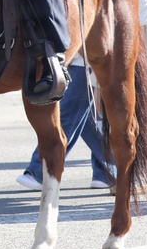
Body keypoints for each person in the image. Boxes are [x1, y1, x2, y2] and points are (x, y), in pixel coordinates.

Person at [16, 54, 116, 192]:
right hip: (72, 55)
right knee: (81, 111)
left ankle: (41, 170)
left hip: (85, 54)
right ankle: (108, 169)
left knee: (71, 108)